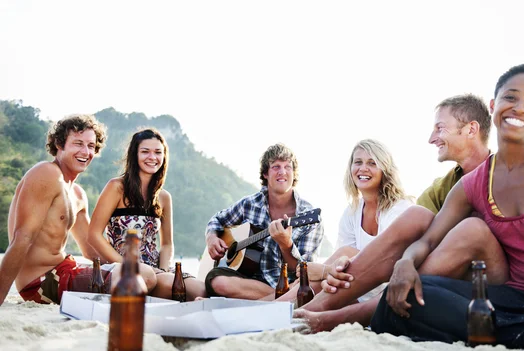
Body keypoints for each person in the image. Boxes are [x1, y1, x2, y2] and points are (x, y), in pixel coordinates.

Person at [368, 64, 524, 351]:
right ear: (493, 105)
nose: (519, 108)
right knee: (411, 293)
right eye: (510, 98)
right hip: (511, 302)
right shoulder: (473, 184)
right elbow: (427, 241)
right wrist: (405, 262)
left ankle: (505, 335)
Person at [296, 94, 506, 332]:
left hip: (496, 284)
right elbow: (411, 233)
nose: (431, 138)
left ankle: (336, 318)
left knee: (472, 231)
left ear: (471, 129)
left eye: (440, 128)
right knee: (417, 216)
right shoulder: (445, 186)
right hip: (452, 281)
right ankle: (309, 310)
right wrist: (347, 264)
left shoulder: (506, 174)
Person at [0, 115, 157, 306]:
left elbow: (92, 251)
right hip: (41, 282)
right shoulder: (46, 173)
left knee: (156, 278)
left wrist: (140, 264)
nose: (85, 152)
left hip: (66, 269)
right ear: (59, 144)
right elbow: (22, 238)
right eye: (78, 143)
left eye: (91, 146)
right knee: (145, 276)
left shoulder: (77, 194)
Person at [277, 139, 413, 304]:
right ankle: (273, 306)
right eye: (358, 162)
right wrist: (323, 273)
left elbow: (388, 264)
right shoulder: (352, 212)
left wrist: (323, 271)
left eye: (372, 163)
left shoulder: (399, 209)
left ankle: (277, 308)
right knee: (313, 279)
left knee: (344, 254)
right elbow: (341, 264)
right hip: (353, 290)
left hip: (387, 292)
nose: (363, 168)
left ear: (385, 169)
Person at [89, 128, 206, 300]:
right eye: (145, 152)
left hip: (156, 269)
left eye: (158, 152)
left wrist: (164, 269)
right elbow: (93, 235)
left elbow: (167, 244)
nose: (152, 157)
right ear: (134, 155)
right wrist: (128, 265)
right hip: (120, 267)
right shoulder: (116, 187)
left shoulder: (164, 197)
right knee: (167, 285)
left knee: (201, 290)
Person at [204, 143, 324, 299]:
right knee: (216, 280)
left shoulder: (308, 217)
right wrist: (211, 237)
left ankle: (278, 299)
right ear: (266, 174)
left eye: (288, 167)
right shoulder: (249, 204)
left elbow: (306, 271)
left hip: (286, 284)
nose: (282, 172)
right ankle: (280, 299)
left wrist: (286, 245)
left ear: (294, 173)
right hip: (248, 281)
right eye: (276, 167)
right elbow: (217, 219)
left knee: (303, 285)